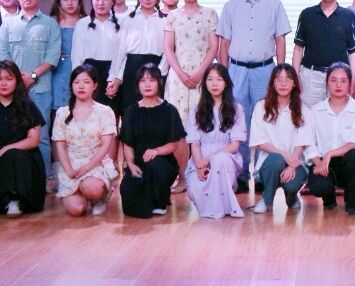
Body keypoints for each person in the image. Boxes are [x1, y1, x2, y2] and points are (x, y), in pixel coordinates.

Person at [216, 0, 291, 187]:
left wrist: (280, 70)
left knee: (264, 122)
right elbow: (224, 43)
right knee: (237, 121)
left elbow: (280, 39)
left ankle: (261, 176)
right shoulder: (230, 7)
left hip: (265, 70)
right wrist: (224, 74)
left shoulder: (274, 4)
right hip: (236, 70)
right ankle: (240, 175)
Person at [0, 0, 62, 170]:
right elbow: (2, 53)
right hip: (12, 90)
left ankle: (43, 178)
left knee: (41, 136)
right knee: (13, 134)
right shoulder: (8, 24)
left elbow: (53, 55)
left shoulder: (50, 24)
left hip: (41, 89)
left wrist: (33, 76)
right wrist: (17, 79)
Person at [163, 0, 220, 191]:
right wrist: (180, 72)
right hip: (177, 78)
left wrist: (200, 73)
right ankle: (181, 177)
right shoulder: (172, 16)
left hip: (202, 76)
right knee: (178, 129)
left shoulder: (210, 14)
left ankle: (204, 173)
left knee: (202, 125)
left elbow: (213, 47)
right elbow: (168, 47)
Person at [0, 60, 47, 217]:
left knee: (15, 154)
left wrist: (6, 148)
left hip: (25, 165)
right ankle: (5, 199)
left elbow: (33, 140)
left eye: (9, 79)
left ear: (17, 81)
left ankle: (16, 198)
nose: (3, 83)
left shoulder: (28, 106)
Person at [118, 64, 185, 217]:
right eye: (142, 80)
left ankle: (160, 200)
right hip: (138, 162)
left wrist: (156, 151)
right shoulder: (130, 111)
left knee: (154, 167)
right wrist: (131, 164)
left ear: (160, 82)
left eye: (152, 80)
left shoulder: (169, 110)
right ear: (137, 84)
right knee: (127, 191)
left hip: (162, 162)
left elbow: (174, 143)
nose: (147, 84)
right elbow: (127, 143)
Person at [53, 64, 118, 217]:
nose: (81, 86)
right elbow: (60, 146)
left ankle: (100, 196)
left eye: (86, 82)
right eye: (77, 82)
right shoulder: (62, 113)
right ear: (71, 85)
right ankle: (82, 195)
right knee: (76, 210)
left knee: (92, 189)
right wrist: (69, 169)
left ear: (94, 85)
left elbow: (106, 145)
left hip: (95, 164)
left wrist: (87, 168)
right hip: (71, 164)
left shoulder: (104, 111)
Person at [184, 63, 246, 219]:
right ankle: (213, 208)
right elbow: (194, 144)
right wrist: (199, 164)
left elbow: (234, 145)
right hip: (200, 159)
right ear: (205, 83)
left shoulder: (236, 109)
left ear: (226, 83)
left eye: (219, 79)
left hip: (227, 157)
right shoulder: (196, 110)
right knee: (197, 187)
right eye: (210, 79)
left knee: (220, 160)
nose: (214, 84)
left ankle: (224, 207)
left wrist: (209, 159)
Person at [304, 62, 355, 214]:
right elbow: (308, 143)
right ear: (327, 83)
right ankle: (328, 198)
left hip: (348, 163)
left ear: (350, 85)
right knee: (318, 186)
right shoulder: (315, 111)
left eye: (343, 81)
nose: (338, 85)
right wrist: (320, 163)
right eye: (333, 80)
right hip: (322, 162)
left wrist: (330, 153)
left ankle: (351, 199)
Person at [249, 64, 313, 213]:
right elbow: (259, 142)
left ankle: (291, 197)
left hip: (296, 162)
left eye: (288, 79)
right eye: (278, 79)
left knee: (291, 184)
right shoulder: (261, 107)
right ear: (272, 83)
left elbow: (302, 142)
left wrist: (291, 165)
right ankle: (266, 200)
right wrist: (285, 155)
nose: (283, 83)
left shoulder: (304, 109)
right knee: (276, 159)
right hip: (269, 163)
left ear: (294, 83)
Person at [292, 0, 355, 107]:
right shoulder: (307, 14)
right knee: (308, 115)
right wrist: (295, 75)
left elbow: (353, 52)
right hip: (311, 77)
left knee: (338, 115)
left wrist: (351, 78)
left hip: (339, 77)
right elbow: (298, 48)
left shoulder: (348, 15)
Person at [71, 0, 125, 116]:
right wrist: (80, 81)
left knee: (110, 117)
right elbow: (76, 57)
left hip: (112, 75)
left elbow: (123, 55)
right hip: (88, 74)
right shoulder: (82, 24)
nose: (101, 3)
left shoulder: (122, 23)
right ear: (91, 0)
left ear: (113, 1)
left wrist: (116, 79)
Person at [119, 0, 167, 114]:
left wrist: (160, 72)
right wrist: (117, 77)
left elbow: (168, 50)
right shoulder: (128, 19)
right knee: (131, 110)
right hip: (132, 69)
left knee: (155, 111)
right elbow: (121, 52)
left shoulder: (165, 20)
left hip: (156, 68)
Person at [49, 0, 85, 121]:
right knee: (57, 116)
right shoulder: (51, 22)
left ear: (79, 0)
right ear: (58, 0)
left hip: (80, 69)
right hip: (56, 72)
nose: (70, 3)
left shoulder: (86, 22)